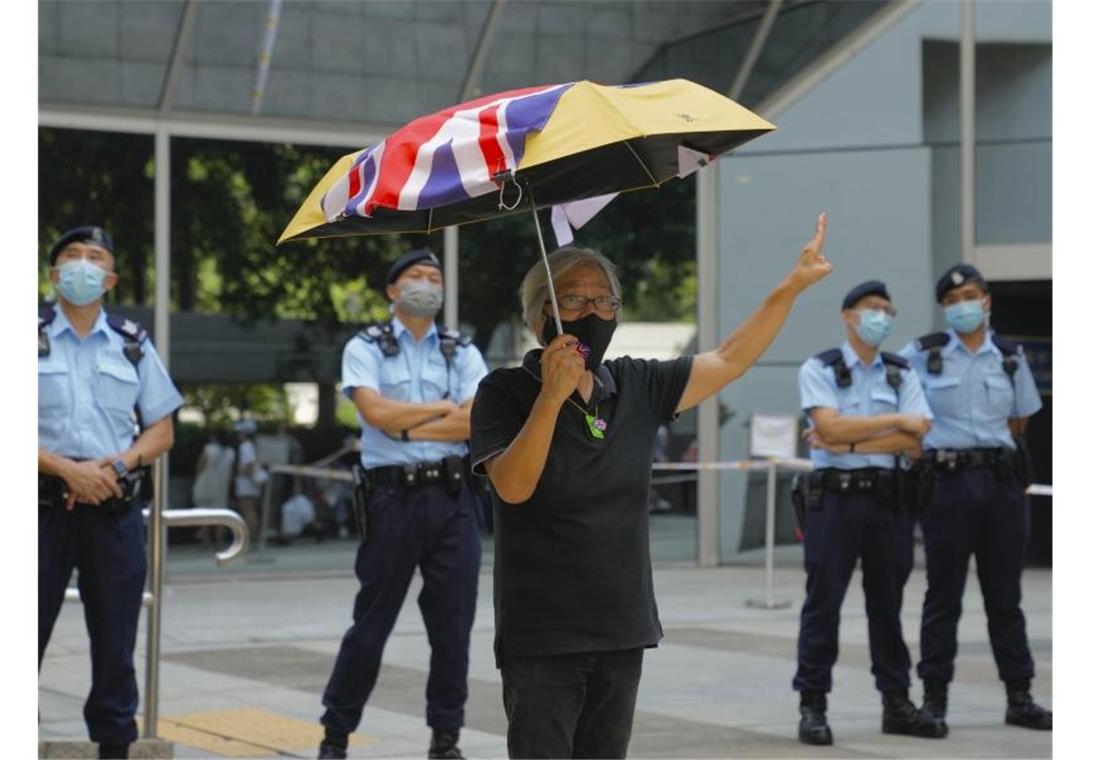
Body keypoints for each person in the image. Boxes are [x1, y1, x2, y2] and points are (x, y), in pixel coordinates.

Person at [469, 214, 832, 759]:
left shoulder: (638, 383)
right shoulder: (504, 391)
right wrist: (550, 396)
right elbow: (514, 488)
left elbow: (730, 358)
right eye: (573, 300)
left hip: (621, 622)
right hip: (543, 632)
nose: (591, 311)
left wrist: (791, 287)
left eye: (604, 300)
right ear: (540, 314)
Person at [318, 249, 490, 760]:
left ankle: (446, 739)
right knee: (371, 625)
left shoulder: (462, 351)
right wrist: (441, 408)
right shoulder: (365, 346)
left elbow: (474, 420)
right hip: (391, 498)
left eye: (434, 277)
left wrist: (406, 421)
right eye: (415, 276)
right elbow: (372, 411)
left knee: (453, 626)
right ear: (392, 290)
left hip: (454, 499)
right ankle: (336, 734)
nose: (426, 283)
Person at [38, 225, 183, 760]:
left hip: (113, 508)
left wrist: (113, 466)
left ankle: (114, 749)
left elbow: (162, 430)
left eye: (93, 257)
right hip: (38, 510)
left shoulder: (132, 343)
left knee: (116, 648)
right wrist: (64, 469)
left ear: (111, 277)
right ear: (54, 276)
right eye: (70, 256)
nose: (81, 264)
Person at [899, 263, 1051, 735]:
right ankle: (934, 699)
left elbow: (1020, 421)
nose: (963, 304)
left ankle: (1020, 697)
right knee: (942, 597)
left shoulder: (1009, 356)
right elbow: (902, 412)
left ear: (986, 300)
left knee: (1005, 597)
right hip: (946, 485)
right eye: (952, 299)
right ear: (944, 308)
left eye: (970, 295)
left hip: (1002, 487)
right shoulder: (922, 355)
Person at [792, 280, 935, 745]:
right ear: (848, 315)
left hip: (889, 501)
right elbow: (826, 426)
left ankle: (896, 703)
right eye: (874, 309)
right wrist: (893, 422)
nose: (883, 318)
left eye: (889, 311)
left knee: (887, 609)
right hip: (835, 501)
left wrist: (847, 439)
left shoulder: (902, 371)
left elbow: (915, 441)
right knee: (823, 606)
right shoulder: (821, 367)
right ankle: (813, 705)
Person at [231, 419, 263, 542]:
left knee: (248, 512)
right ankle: (254, 537)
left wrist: (239, 473)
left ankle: (251, 538)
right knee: (252, 511)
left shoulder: (245, 446)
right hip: (253, 484)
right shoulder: (254, 445)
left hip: (246, 484)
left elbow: (250, 464)